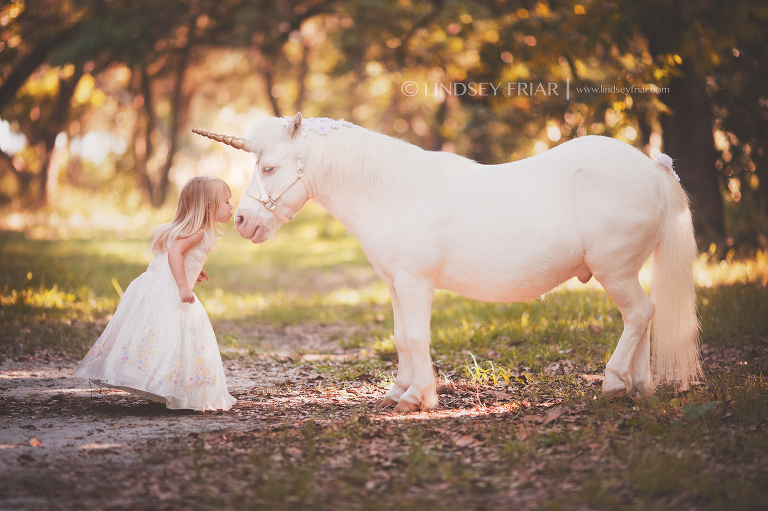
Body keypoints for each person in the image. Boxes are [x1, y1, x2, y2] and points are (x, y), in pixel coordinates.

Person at [76, 176, 237, 411]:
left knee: (158, 336)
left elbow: (180, 255)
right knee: (173, 336)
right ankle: (168, 385)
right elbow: (174, 254)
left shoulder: (194, 232)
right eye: (227, 201)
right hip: (170, 290)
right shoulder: (200, 233)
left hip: (153, 287)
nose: (231, 206)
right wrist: (184, 285)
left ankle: (159, 383)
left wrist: (194, 270)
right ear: (209, 206)